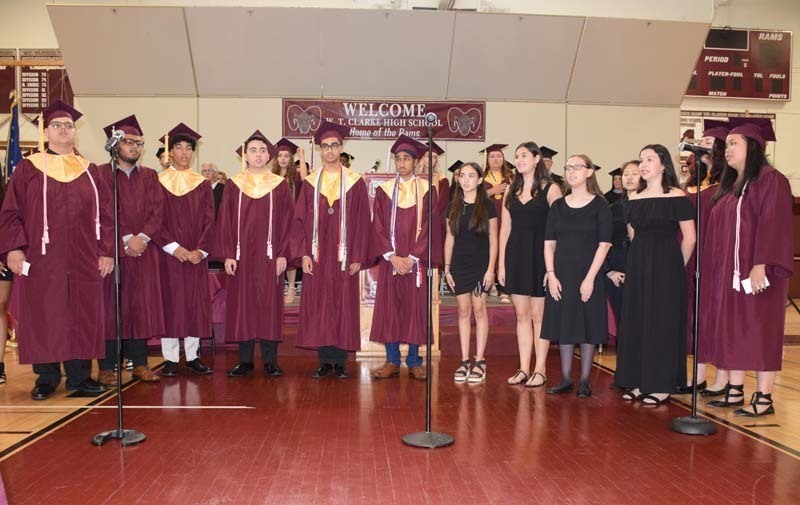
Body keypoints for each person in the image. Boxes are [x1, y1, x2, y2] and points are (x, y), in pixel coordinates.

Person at [0, 100, 113, 399]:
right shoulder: (29, 168)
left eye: (69, 126)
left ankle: (80, 377)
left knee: (81, 313)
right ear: (46, 131)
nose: (63, 129)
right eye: (57, 125)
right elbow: (11, 212)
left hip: (83, 256)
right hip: (42, 257)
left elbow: (107, 215)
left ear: (75, 132)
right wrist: (14, 249)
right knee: (45, 313)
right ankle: (46, 378)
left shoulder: (90, 171)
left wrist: (106, 251)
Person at [700, 119, 792, 416]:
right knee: (733, 329)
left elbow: (774, 223)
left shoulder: (771, 180)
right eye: (726, 144)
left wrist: (761, 264)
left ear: (752, 147)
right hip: (730, 274)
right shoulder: (730, 187)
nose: (727, 149)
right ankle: (735, 389)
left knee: (760, 331)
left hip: (758, 273)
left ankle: (764, 398)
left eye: (733, 144)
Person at [615, 144, 696, 406]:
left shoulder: (677, 196)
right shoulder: (633, 198)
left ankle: (661, 384)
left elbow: (690, 239)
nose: (643, 164)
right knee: (637, 321)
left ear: (663, 165)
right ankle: (638, 381)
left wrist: (675, 268)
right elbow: (633, 235)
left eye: (650, 159)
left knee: (662, 324)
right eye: (641, 160)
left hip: (667, 267)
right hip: (638, 265)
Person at [291, 121, 370, 379]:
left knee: (343, 305)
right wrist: (304, 253)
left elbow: (362, 222)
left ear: (341, 148)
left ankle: (341, 362)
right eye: (325, 146)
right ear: (320, 149)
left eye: (334, 146)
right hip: (318, 256)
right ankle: (325, 361)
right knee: (320, 306)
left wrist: (358, 256)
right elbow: (299, 221)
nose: (330, 151)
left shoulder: (355, 183)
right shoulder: (310, 183)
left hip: (344, 257)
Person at [97, 114, 164, 385]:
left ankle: (140, 363)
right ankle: (107, 366)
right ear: (115, 145)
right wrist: (126, 239)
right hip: (112, 251)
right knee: (111, 308)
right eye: (128, 142)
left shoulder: (150, 176)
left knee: (139, 307)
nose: (134, 147)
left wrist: (142, 238)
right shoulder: (100, 174)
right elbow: (102, 212)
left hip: (143, 252)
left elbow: (158, 211)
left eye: (138, 143)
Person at [220, 132, 294, 377]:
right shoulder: (234, 184)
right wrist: (228, 254)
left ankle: (270, 360)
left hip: (270, 256)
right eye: (253, 150)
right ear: (245, 156)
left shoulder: (279, 185)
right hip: (241, 256)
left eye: (263, 150)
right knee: (243, 305)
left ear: (269, 155)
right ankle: (245, 360)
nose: (258, 154)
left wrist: (283, 254)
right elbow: (225, 221)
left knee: (269, 305)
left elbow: (288, 222)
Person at [542, 155, 612, 398]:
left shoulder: (600, 205)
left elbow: (604, 244)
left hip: (589, 273)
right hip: (562, 273)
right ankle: (565, 379)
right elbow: (549, 244)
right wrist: (551, 274)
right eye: (568, 168)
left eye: (577, 167)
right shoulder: (558, 206)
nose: (571, 172)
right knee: (565, 324)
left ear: (589, 172)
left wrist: (590, 278)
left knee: (588, 323)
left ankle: (584, 381)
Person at [370, 135, 436, 381]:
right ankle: (392, 361)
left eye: (406, 158)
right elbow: (377, 226)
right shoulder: (385, 191)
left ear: (415, 162)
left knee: (414, 310)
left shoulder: (427, 190)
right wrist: (392, 256)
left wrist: (413, 257)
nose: (401, 163)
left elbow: (430, 226)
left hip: (415, 262)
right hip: (392, 262)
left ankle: (415, 361)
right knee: (391, 310)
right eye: (398, 159)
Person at [498, 142, 562, 387]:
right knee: (522, 315)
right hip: (516, 255)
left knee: (538, 316)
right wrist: (501, 264)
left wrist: (552, 267)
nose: (519, 159)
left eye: (524, 155)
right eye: (517, 156)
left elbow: (559, 230)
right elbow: (505, 230)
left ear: (537, 159)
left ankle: (540, 369)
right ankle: (524, 368)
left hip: (541, 256)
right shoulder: (510, 190)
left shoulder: (551, 189)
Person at [156, 123, 215, 377]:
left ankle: (193, 356)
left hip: (195, 256)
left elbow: (210, 221)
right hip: (168, 256)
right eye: (178, 147)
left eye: (188, 148)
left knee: (193, 303)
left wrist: (200, 250)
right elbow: (154, 221)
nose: (184, 152)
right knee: (170, 303)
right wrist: (174, 248)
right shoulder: (158, 182)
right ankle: (170, 359)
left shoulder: (201, 184)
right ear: (170, 152)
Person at [676, 120, 728, 396]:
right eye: (701, 142)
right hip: (691, 256)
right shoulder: (693, 184)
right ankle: (697, 376)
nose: (702, 146)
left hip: (714, 258)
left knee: (713, 318)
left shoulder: (727, 184)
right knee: (694, 318)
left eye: (708, 142)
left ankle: (723, 378)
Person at [444, 162, 498, 383]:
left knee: (479, 309)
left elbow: (494, 239)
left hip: (480, 264)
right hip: (459, 264)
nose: (465, 180)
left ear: (479, 180)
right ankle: (465, 360)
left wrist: (491, 270)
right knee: (463, 311)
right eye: (462, 176)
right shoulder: (453, 206)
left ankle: (480, 361)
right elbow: (449, 238)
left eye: (471, 176)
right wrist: (447, 268)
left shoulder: (487, 206)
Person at [603, 162, 640, 326]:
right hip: (618, 268)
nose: (629, 178)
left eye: (634, 173)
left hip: (644, 266)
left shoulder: (654, 207)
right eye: (626, 174)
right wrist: (608, 270)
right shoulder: (613, 208)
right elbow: (602, 240)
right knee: (623, 319)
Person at [272, 138, 308, 304]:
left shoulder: (295, 177)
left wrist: (302, 157)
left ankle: (291, 287)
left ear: (291, 159)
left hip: (291, 221)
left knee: (290, 255)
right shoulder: (270, 178)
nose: (283, 159)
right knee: (274, 254)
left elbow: (306, 180)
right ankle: (276, 287)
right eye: (280, 155)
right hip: (274, 221)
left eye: (286, 156)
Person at [482, 144, 514, 302]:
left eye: (499, 156)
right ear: (487, 160)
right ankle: (487, 286)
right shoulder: (481, 177)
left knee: (505, 252)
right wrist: (492, 191)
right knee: (487, 251)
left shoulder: (511, 177)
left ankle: (504, 289)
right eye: (492, 156)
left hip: (506, 220)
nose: (496, 159)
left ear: (503, 159)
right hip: (487, 220)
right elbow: (474, 196)